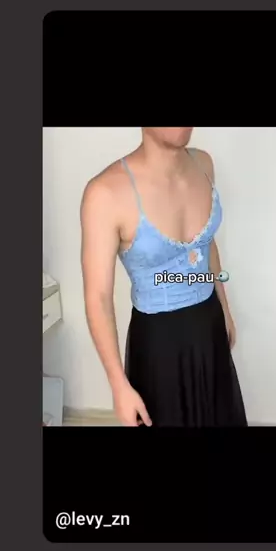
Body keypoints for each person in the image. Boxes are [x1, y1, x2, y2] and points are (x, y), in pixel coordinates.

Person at [80, 127, 247, 427]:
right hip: (159, 345)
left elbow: (206, 246)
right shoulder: (105, 194)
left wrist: (224, 308)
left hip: (208, 324)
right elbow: (98, 297)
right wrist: (118, 385)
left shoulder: (203, 164)